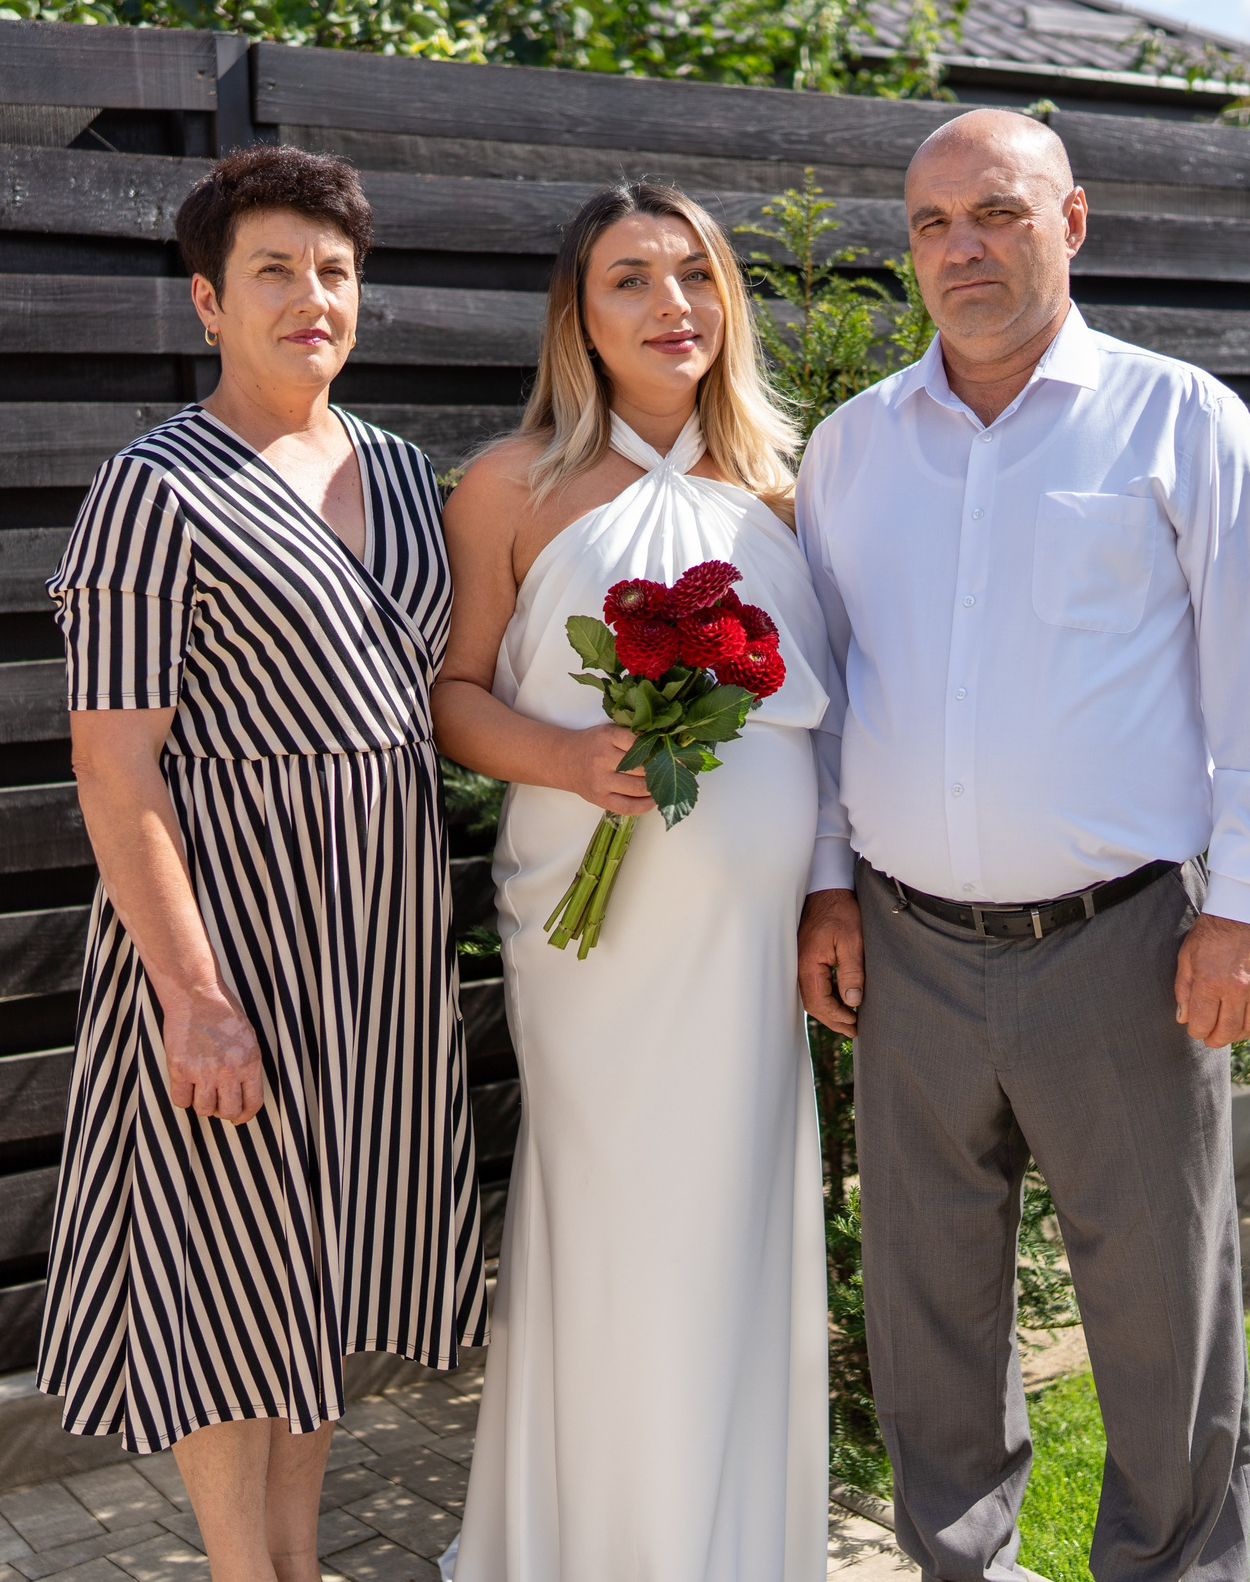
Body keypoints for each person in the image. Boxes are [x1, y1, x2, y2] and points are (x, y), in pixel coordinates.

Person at [794, 109, 1250, 1582]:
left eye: (998, 215)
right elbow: (833, 700)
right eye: (933, 224)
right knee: (928, 1315)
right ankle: (966, 1569)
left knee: (1165, 1316)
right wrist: (829, 892)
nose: (963, 249)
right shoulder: (851, 450)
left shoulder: (1180, 422)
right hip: (904, 950)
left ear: (1071, 223)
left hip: (1127, 948)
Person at [39, 145, 486, 1582]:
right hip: (225, 946)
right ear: (208, 304)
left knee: (318, 1271)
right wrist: (191, 992)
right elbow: (114, 767)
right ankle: (249, 1571)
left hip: (378, 948)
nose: (312, 297)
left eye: (335, 272)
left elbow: (433, 697)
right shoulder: (151, 489)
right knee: (224, 1279)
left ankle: (297, 1558)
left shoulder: (412, 477)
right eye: (275, 272)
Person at [434, 181, 833, 1581]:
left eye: (695, 276)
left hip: (745, 951)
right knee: (612, 1226)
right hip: (590, 935)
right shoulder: (510, 486)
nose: (672, 305)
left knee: (732, 1227)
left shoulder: (792, 488)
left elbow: (842, 721)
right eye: (630, 281)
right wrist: (565, 751)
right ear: (579, 320)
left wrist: (827, 888)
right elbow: (454, 699)